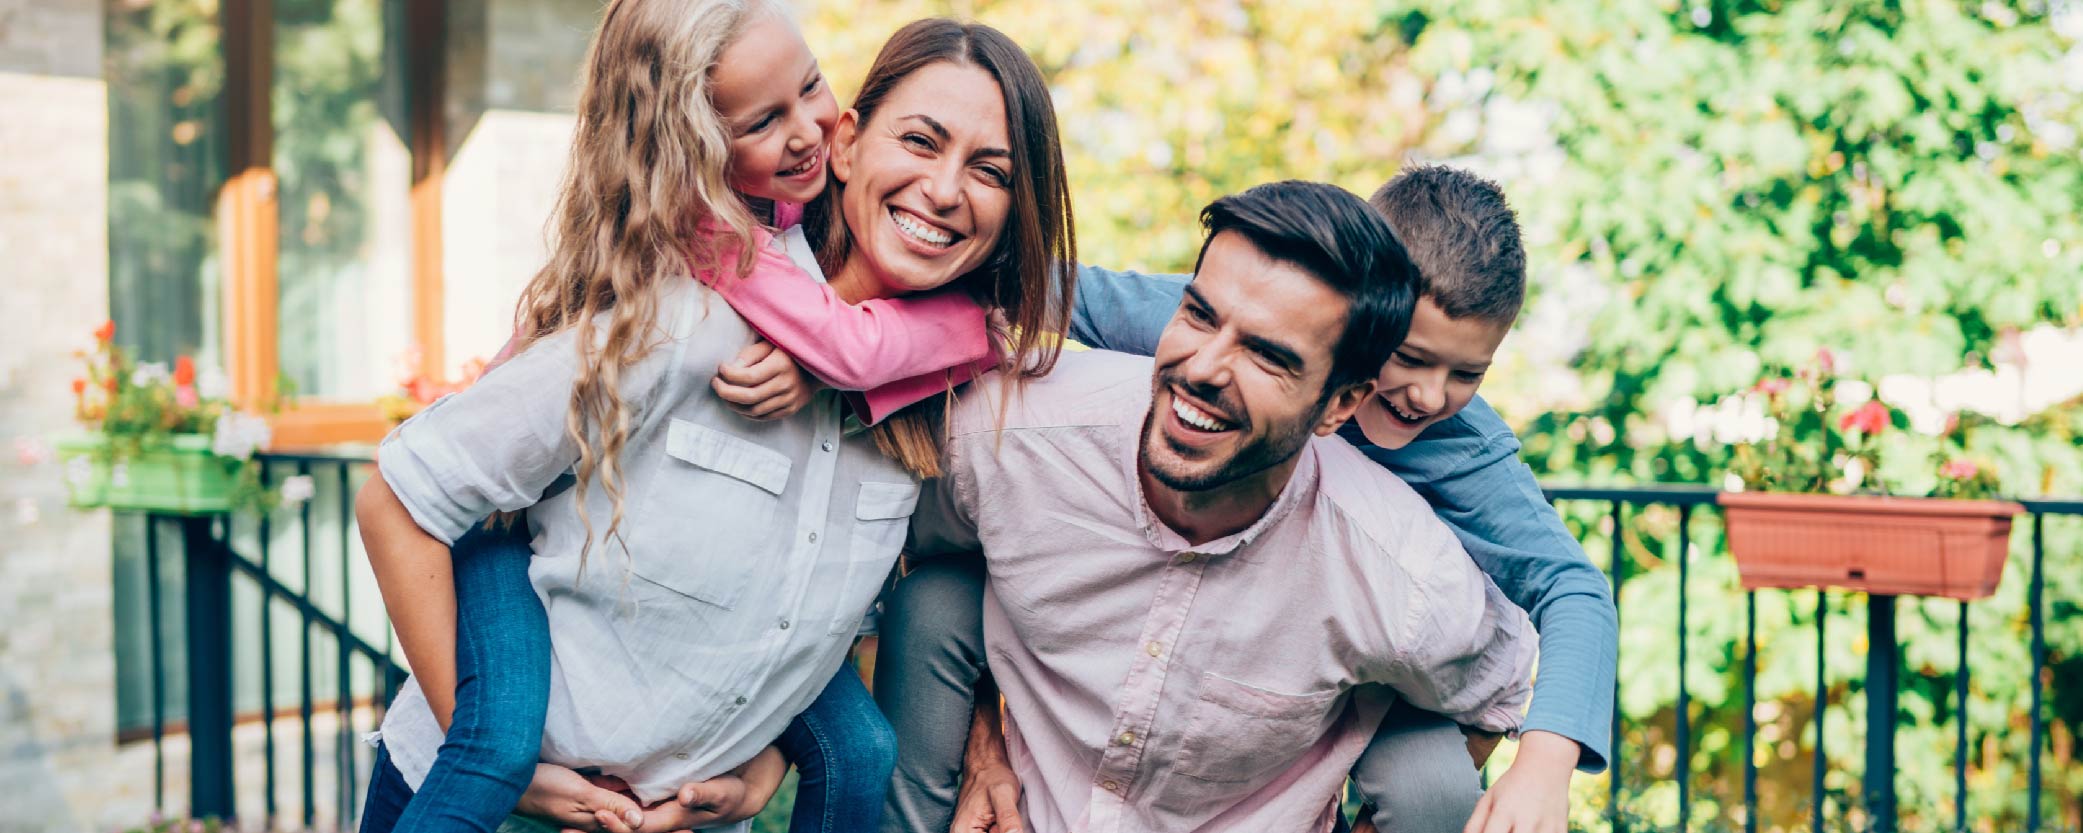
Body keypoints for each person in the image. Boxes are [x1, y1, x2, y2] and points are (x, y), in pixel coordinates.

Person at [353, 7, 1075, 833]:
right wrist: (499, 760)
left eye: (991, 170)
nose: (945, 190)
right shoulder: (687, 304)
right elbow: (403, 493)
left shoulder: (947, 403)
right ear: (849, 140)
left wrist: (761, 761)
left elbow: (814, 615)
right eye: (919, 140)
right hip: (492, 805)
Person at [878, 166, 1614, 833]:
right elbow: (1026, 285)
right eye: (1409, 357)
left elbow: (1570, 589)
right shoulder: (1213, 324)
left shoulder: (1459, 447)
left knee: (1428, 782)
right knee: (937, 596)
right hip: (1170, 611)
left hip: (1376, 662)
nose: (1427, 394)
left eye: (1465, 373)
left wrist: (1543, 765)